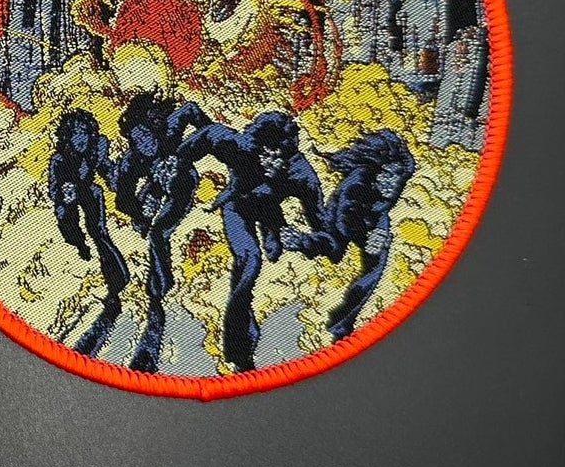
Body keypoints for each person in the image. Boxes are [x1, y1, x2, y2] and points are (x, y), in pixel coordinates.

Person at [177, 110, 324, 372]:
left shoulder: (301, 173)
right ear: (255, 147)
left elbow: (325, 232)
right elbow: (201, 139)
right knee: (249, 259)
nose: (271, 161)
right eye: (266, 153)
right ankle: (240, 348)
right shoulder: (236, 145)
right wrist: (178, 166)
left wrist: (303, 241)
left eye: (279, 156)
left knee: (272, 250)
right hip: (237, 205)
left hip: (270, 212)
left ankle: (271, 236)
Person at [279, 128, 415, 341]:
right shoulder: (354, 187)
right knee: (332, 244)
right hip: (345, 218)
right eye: (388, 176)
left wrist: (379, 235)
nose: (393, 184)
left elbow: (382, 208)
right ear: (376, 173)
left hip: (372, 219)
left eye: (398, 179)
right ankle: (302, 241)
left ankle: (342, 324)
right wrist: (370, 236)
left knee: (376, 267)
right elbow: (339, 238)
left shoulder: (396, 177)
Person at [111, 93, 211, 373]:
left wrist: (204, 132)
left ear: (153, 128)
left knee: (158, 234)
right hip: (157, 185)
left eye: (144, 135)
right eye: (135, 139)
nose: (142, 143)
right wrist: (140, 212)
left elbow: (190, 109)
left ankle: (161, 287)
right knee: (146, 219)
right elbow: (123, 199)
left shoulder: (171, 129)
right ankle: (158, 284)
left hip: (182, 180)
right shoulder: (132, 159)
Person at [47, 109, 131, 359]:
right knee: (69, 227)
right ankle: (80, 247)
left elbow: (105, 169)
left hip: (89, 191)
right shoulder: (59, 160)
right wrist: (64, 196)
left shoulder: (97, 147)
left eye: (84, 133)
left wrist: (116, 178)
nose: (81, 139)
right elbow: (54, 190)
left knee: (100, 233)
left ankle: (118, 281)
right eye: (76, 134)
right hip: (68, 198)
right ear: (67, 136)